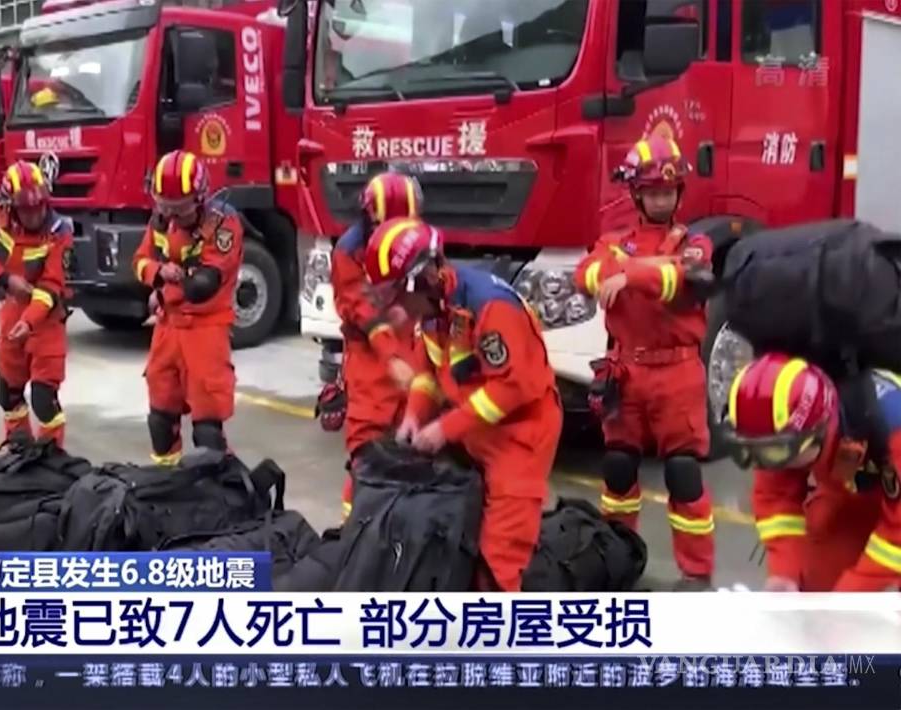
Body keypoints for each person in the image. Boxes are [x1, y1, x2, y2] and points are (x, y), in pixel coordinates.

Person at [365, 217, 562, 592]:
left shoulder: (490, 307)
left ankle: (501, 645)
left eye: (397, 294)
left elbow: (511, 389)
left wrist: (443, 429)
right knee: (457, 538)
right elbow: (429, 375)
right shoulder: (435, 312)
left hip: (519, 437)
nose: (396, 308)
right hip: (475, 432)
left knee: (497, 562)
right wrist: (413, 416)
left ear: (423, 279)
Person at [573, 134, 716, 589]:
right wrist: (615, 269)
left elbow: (685, 277)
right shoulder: (614, 239)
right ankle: (618, 560)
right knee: (617, 468)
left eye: (668, 192)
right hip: (627, 372)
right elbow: (585, 275)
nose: (660, 199)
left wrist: (629, 272)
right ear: (636, 193)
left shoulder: (693, 243)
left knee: (683, 473)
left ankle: (696, 573)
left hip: (677, 372)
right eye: (652, 191)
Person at [727, 353, 901, 592]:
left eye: (774, 452)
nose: (768, 464)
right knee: (815, 590)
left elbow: (896, 542)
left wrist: (849, 598)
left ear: (818, 432)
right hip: (854, 491)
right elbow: (775, 498)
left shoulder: (893, 430)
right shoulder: (779, 431)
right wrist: (784, 573)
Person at [132, 150, 244, 465]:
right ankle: (168, 489)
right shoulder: (160, 221)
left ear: (199, 199)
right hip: (167, 330)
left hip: (205, 330)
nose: (171, 215)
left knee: (207, 433)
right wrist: (157, 273)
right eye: (164, 206)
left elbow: (202, 287)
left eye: (178, 209)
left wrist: (165, 289)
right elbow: (140, 261)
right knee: (160, 422)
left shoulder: (223, 225)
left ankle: (221, 495)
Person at [332, 171, 424, 520]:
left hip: (414, 345)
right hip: (370, 355)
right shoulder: (349, 252)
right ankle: (355, 529)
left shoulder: (419, 239)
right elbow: (363, 311)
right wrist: (392, 358)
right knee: (367, 449)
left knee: (412, 444)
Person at [0, 160, 73, 446]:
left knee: (43, 397)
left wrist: (29, 321)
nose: (35, 214)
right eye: (26, 209)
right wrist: (4, 279)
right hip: (12, 309)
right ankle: (18, 444)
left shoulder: (60, 230)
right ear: (11, 206)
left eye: (39, 206)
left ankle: (51, 453)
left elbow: (52, 287)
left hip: (47, 318)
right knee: (7, 392)